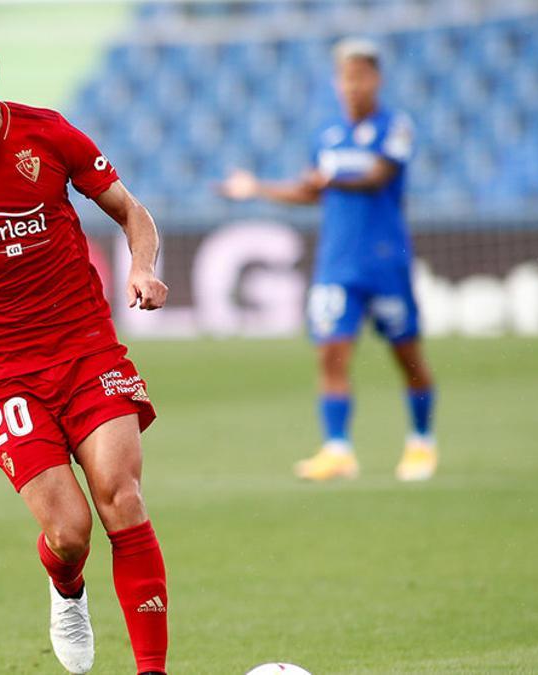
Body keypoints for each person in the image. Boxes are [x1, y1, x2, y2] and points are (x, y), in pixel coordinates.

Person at [0, 10, 170, 674]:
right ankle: (65, 582)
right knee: (69, 532)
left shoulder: (47, 133)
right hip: (4, 371)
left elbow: (131, 209)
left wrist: (143, 265)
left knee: (122, 497)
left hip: (87, 347)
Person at [221, 37, 438, 482]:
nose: (352, 85)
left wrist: (332, 175)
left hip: (385, 261)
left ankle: (421, 442)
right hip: (337, 263)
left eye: (360, 75)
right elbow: (310, 190)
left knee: (407, 355)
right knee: (331, 353)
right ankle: (338, 450)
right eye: (345, 77)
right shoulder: (327, 136)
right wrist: (257, 188)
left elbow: (377, 176)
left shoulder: (395, 128)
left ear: (375, 79)